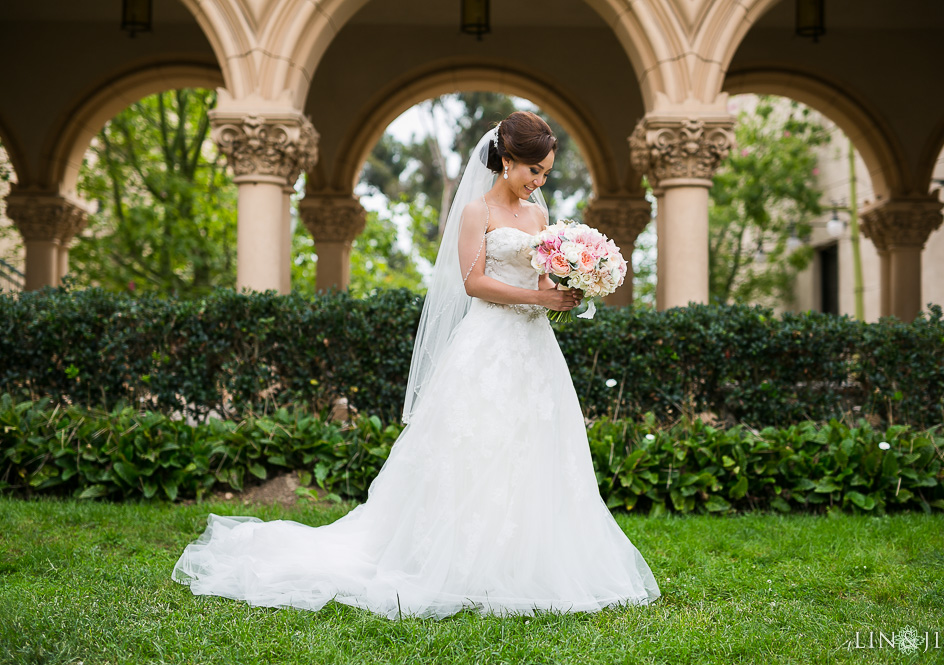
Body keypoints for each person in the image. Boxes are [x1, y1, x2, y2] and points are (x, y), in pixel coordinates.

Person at [172, 110, 660, 620]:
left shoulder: (540, 219)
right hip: (488, 340)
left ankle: (524, 559)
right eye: (531, 170)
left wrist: (566, 286)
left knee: (535, 444)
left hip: (535, 349)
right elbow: (473, 282)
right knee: (473, 445)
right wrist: (533, 297)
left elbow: (540, 284)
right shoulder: (476, 212)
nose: (538, 182)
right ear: (507, 159)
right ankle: (455, 558)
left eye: (544, 174)